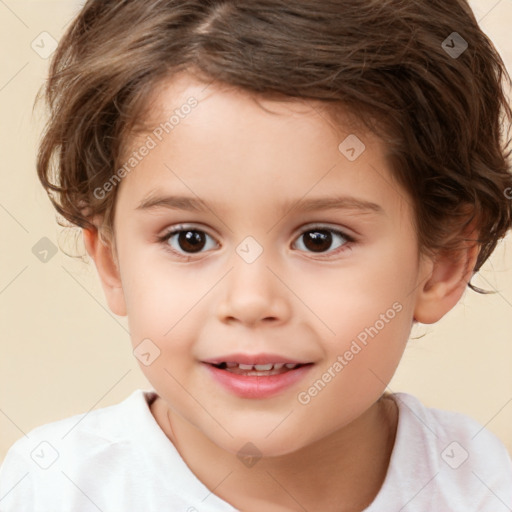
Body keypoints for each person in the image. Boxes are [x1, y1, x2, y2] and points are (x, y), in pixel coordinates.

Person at [1, 0, 511, 510]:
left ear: (442, 262)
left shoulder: (484, 487)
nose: (250, 301)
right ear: (112, 263)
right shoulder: (52, 490)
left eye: (320, 239)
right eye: (190, 239)